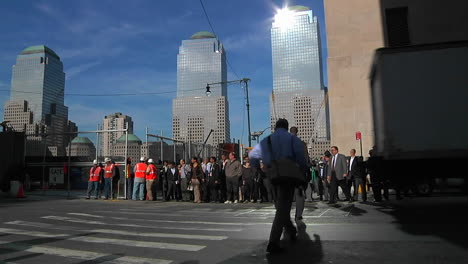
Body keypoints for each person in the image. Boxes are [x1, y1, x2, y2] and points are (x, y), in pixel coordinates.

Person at [249, 118, 307, 254]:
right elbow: (301, 159)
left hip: (273, 175)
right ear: (287, 128)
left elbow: (252, 156)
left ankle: (291, 230)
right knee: (283, 207)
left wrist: (261, 169)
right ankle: (273, 242)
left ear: (275, 128)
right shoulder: (293, 139)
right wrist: (302, 173)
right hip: (289, 175)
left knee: (281, 206)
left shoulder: (268, 140)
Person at [289, 126, 310, 222]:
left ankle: (285, 215)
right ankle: (298, 215)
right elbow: (306, 160)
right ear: (297, 132)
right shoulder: (302, 144)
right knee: (299, 195)